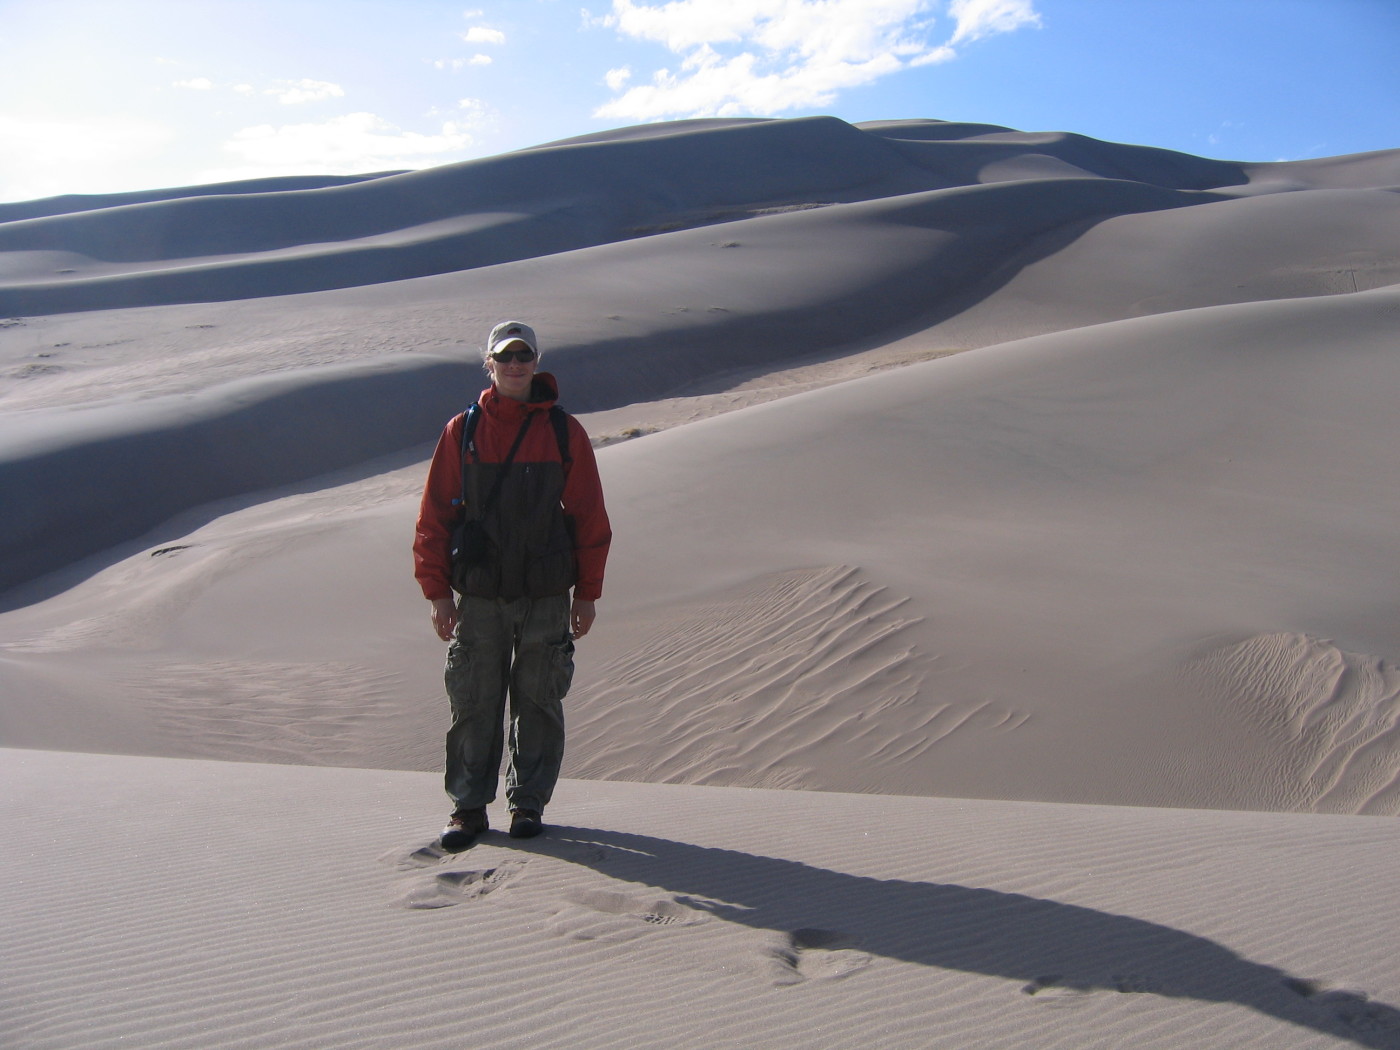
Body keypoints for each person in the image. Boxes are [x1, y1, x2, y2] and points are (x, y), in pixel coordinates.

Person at [413, 320, 611, 850]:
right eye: (505, 356)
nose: (516, 365)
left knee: (539, 698)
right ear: (490, 364)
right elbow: (435, 517)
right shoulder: (463, 431)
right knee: (474, 700)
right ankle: (468, 808)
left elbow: (590, 516)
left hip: (546, 593)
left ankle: (528, 803)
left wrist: (587, 594)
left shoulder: (565, 432)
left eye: (524, 356)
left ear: (536, 362)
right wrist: (437, 592)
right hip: (480, 593)